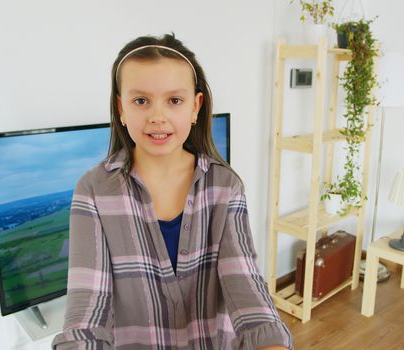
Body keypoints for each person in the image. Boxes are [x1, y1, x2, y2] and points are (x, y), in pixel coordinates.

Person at [52, 33, 293, 350]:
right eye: (141, 101)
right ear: (120, 108)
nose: (157, 116)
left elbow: (244, 281)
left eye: (174, 101)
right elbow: (86, 312)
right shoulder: (93, 190)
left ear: (195, 107)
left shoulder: (225, 186)